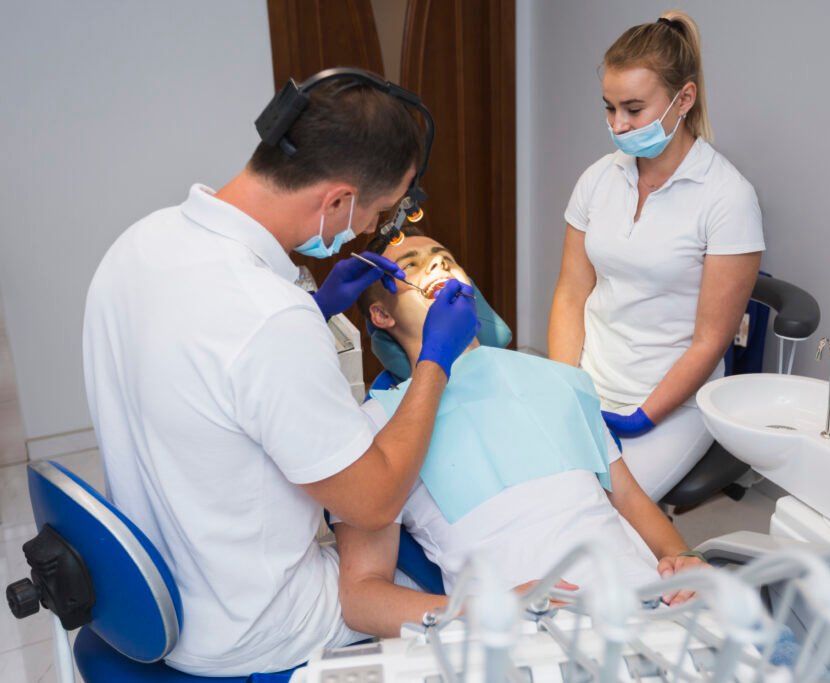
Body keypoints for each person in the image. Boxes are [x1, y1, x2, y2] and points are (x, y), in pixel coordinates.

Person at [82, 79, 477, 676]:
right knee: (415, 597)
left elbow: (214, 369)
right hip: (247, 628)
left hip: (158, 584)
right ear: (338, 200)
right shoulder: (269, 320)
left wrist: (314, 314)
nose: (371, 228)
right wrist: (434, 362)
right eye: (374, 212)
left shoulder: (141, 242)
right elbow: (374, 502)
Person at [337, 231, 706, 637]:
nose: (438, 264)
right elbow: (362, 599)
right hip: (520, 636)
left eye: (444, 257)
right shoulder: (376, 425)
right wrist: (489, 610)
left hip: (644, 606)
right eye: (411, 265)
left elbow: (631, 500)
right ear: (381, 316)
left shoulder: (559, 380)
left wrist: (682, 556)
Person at [548, 11, 765, 501]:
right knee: (537, 497)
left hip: (672, 403)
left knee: (592, 516)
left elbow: (711, 341)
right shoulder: (599, 179)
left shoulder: (727, 198)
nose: (618, 125)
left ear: (683, 99)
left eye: (633, 109)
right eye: (609, 108)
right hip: (589, 384)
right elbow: (571, 291)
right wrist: (569, 387)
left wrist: (642, 416)